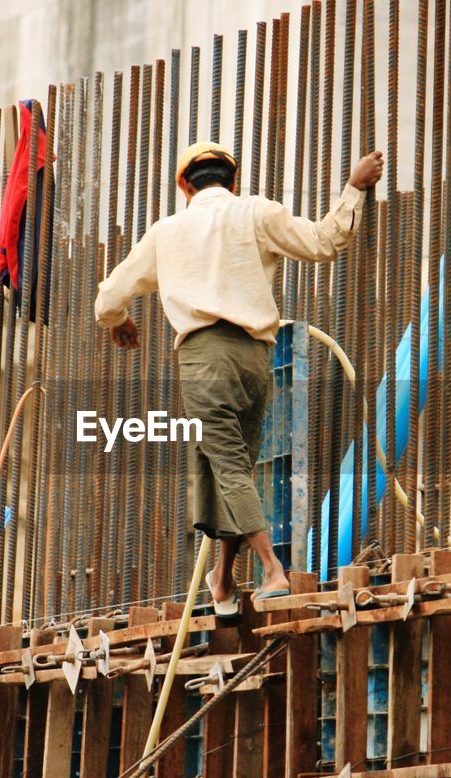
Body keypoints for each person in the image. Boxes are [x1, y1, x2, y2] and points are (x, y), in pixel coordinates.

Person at [94, 142, 384, 613]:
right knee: (229, 464)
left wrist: (120, 321)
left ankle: (273, 570)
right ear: (233, 182)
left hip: (205, 357)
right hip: (255, 359)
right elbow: (323, 241)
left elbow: (108, 297)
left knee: (226, 464)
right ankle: (223, 578)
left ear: (185, 186)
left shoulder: (167, 232)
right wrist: (352, 187)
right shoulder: (255, 212)